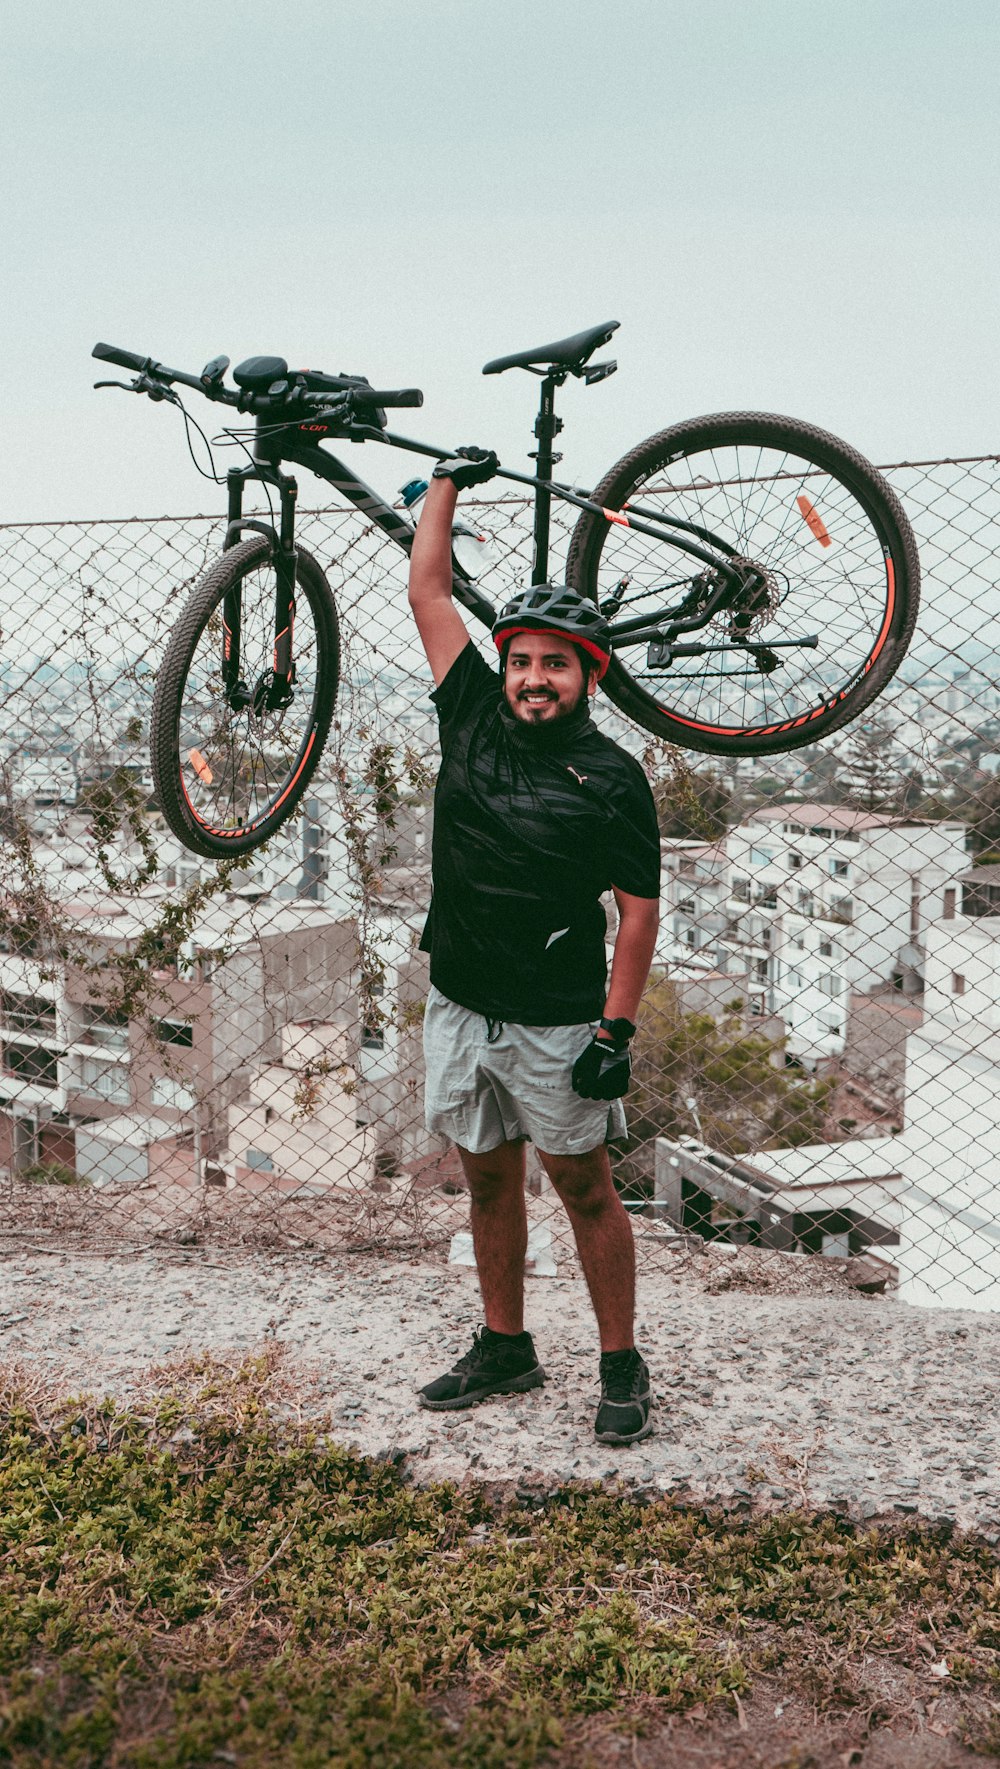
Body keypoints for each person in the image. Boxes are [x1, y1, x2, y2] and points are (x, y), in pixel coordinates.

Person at [408, 447, 660, 1445]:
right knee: (484, 1174)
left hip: (558, 1016)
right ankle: (505, 1344)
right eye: (521, 659)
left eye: (554, 662)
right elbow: (427, 586)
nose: (531, 676)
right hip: (460, 997)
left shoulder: (612, 777)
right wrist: (444, 483)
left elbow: (636, 912)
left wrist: (617, 1027)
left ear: (585, 674)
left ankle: (619, 1359)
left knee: (585, 1185)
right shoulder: (467, 710)